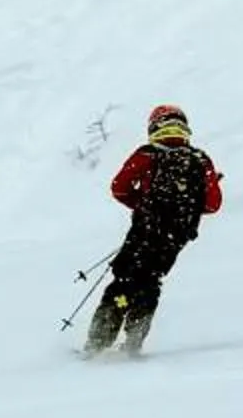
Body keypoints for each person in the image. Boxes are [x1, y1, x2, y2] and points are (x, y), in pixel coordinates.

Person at [82, 104, 221, 357]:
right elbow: (213, 204)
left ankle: (97, 343)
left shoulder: (148, 153)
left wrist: (142, 205)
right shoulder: (200, 160)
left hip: (144, 231)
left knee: (124, 282)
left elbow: (119, 187)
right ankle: (134, 341)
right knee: (149, 281)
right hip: (174, 239)